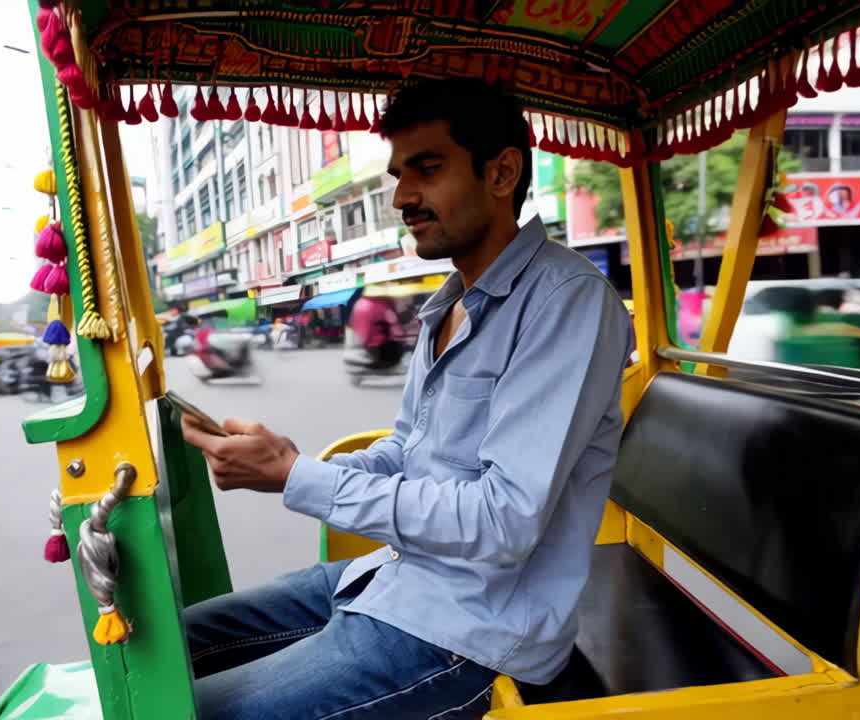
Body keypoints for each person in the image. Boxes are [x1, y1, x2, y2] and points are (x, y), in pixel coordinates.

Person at [180, 77, 631, 720]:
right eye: (397, 174)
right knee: (177, 640)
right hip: (397, 577)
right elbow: (405, 451)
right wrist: (287, 464)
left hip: (471, 633)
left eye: (426, 167)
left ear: (502, 172)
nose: (402, 197)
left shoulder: (567, 301)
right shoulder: (447, 305)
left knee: (187, 709)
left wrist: (298, 479)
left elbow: (502, 520)